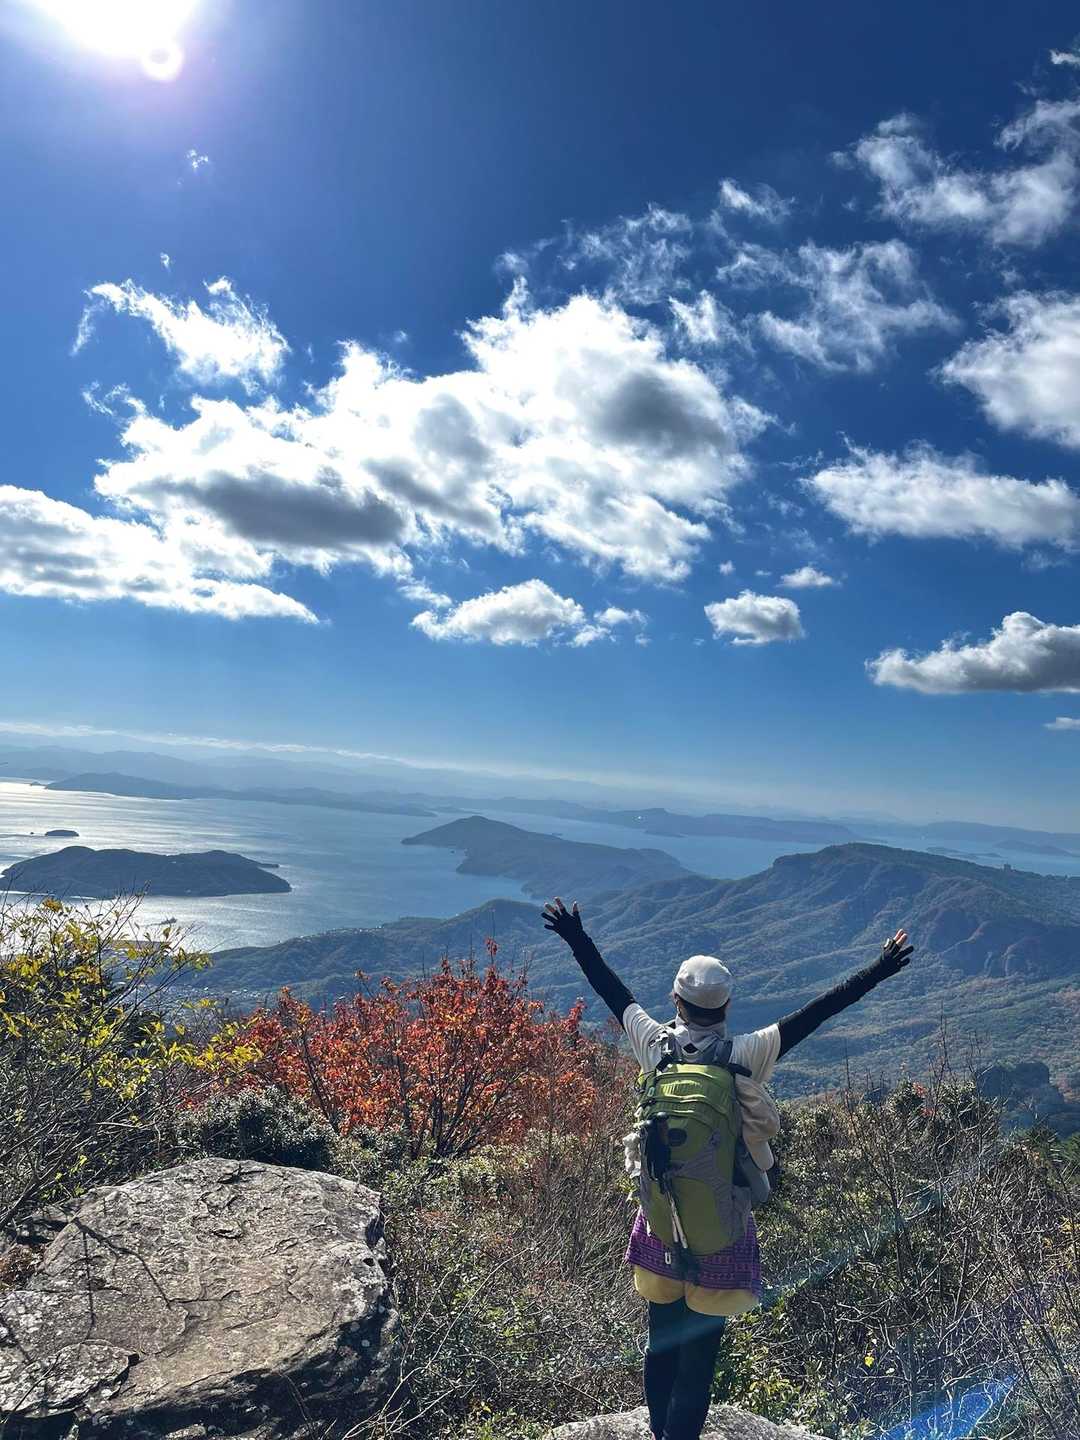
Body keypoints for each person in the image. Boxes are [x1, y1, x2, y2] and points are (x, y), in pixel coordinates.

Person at [541, 896, 914, 1440]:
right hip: (722, 1231)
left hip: (660, 1225)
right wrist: (880, 968)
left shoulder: (653, 1045)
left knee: (660, 1344)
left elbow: (611, 990)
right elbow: (819, 1011)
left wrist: (575, 936)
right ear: (727, 1006)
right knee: (697, 1363)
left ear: (676, 1000)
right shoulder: (747, 1054)